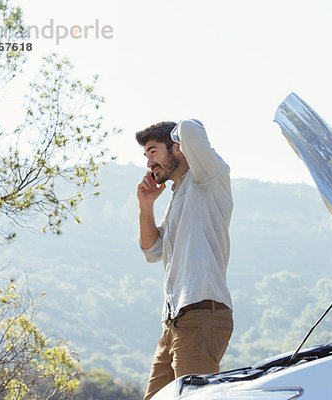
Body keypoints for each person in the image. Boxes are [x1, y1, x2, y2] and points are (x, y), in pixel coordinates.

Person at [135, 119, 234, 399]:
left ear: (177, 148)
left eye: (153, 152)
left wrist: (178, 136)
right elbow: (152, 252)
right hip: (174, 322)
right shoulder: (177, 196)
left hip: (201, 316)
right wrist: (146, 206)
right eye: (146, 156)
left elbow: (190, 128)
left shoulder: (209, 177)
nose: (149, 163)